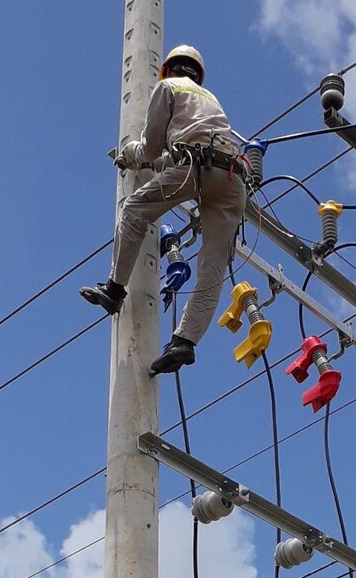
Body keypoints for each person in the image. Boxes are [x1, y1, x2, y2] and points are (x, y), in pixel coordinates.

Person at [80, 43, 249, 378]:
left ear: (169, 69)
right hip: (233, 179)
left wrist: (129, 154)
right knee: (212, 267)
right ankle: (185, 341)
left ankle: (115, 289)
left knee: (135, 209)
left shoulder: (168, 88)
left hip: (195, 169)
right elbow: (177, 150)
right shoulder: (210, 99)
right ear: (197, 73)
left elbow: (152, 147)